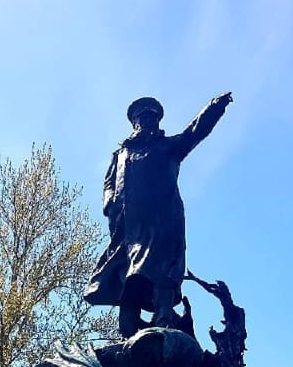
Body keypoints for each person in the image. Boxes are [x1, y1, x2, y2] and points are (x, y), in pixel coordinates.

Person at [85, 92, 233, 336]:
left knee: (162, 269)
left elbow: (195, 131)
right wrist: (109, 204)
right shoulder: (120, 154)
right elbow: (109, 182)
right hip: (128, 228)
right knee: (127, 274)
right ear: (134, 122)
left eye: (151, 118)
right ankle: (128, 328)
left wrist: (214, 107)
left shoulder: (169, 146)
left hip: (162, 221)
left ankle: (164, 320)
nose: (147, 122)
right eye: (142, 118)